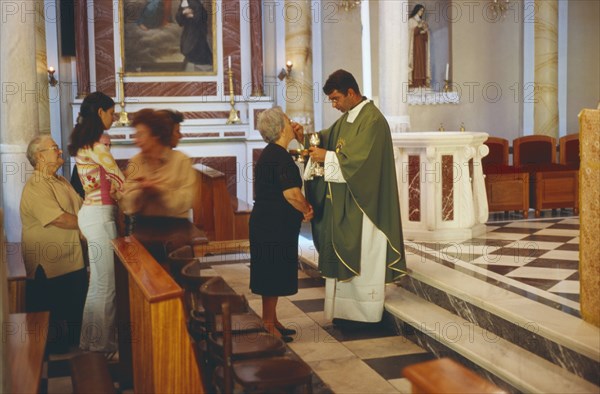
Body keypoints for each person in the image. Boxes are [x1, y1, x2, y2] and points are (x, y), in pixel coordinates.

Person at [305, 69, 406, 323]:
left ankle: (365, 314)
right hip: (348, 200)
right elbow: (326, 138)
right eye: (331, 100)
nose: (334, 104)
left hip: (365, 206)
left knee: (364, 258)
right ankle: (344, 312)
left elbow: (361, 162)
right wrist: (302, 137)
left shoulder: (372, 120)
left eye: (336, 98)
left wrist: (325, 157)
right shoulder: (349, 117)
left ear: (351, 93)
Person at [68, 91, 124, 354]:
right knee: (107, 284)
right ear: (100, 112)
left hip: (91, 213)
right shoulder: (98, 144)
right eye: (111, 113)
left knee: (98, 283)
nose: (113, 118)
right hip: (100, 215)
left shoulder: (85, 141)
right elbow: (118, 178)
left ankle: (90, 342)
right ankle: (103, 346)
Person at [250, 107, 313, 341]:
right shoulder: (279, 156)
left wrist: (300, 138)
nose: (292, 121)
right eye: (288, 120)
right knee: (272, 274)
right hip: (273, 226)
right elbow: (292, 195)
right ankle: (267, 324)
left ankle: (272, 320)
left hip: (269, 224)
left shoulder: (273, 152)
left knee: (272, 274)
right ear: (280, 127)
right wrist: (307, 209)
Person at [20, 136, 88, 353]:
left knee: (75, 327)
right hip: (50, 268)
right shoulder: (35, 186)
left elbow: (81, 207)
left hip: (72, 261)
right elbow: (59, 218)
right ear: (40, 156)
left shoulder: (61, 181)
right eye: (54, 149)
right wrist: (91, 227)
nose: (60, 152)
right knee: (52, 337)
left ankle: (81, 363)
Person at [120, 109, 196, 218]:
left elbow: (187, 201)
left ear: (155, 135)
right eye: (136, 135)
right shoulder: (135, 161)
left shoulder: (181, 160)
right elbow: (126, 204)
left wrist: (160, 192)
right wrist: (141, 192)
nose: (136, 140)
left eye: (140, 134)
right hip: (143, 225)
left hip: (176, 227)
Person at [70, 133, 112, 199]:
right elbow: (75, 193)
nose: (108, 148)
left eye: (110, 145)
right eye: (105, 145)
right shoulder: (80, 166)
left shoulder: (110, 165)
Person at [175, 0, 213, 65]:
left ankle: (200, 60)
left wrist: (192, 15)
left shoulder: (195, 2)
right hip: (188, 28)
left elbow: (202, 16)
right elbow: (179, 16)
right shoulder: (183, 2)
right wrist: (183, 12)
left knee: (195, 46)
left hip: (197, 29)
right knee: (186, 45)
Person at [408, 4, 431, 88]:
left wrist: (425, 31)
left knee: (422, 62)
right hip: (414, 47)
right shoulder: (411, 21)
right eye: (421, 10)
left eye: (423, 11)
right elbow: (410, 33)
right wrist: (418, 28)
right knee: (416, 62)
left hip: (422, 46)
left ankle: (422, 82)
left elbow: (426, 37)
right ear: (416, 10)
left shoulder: (423, 22)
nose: (422, 12)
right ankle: (415, 82)